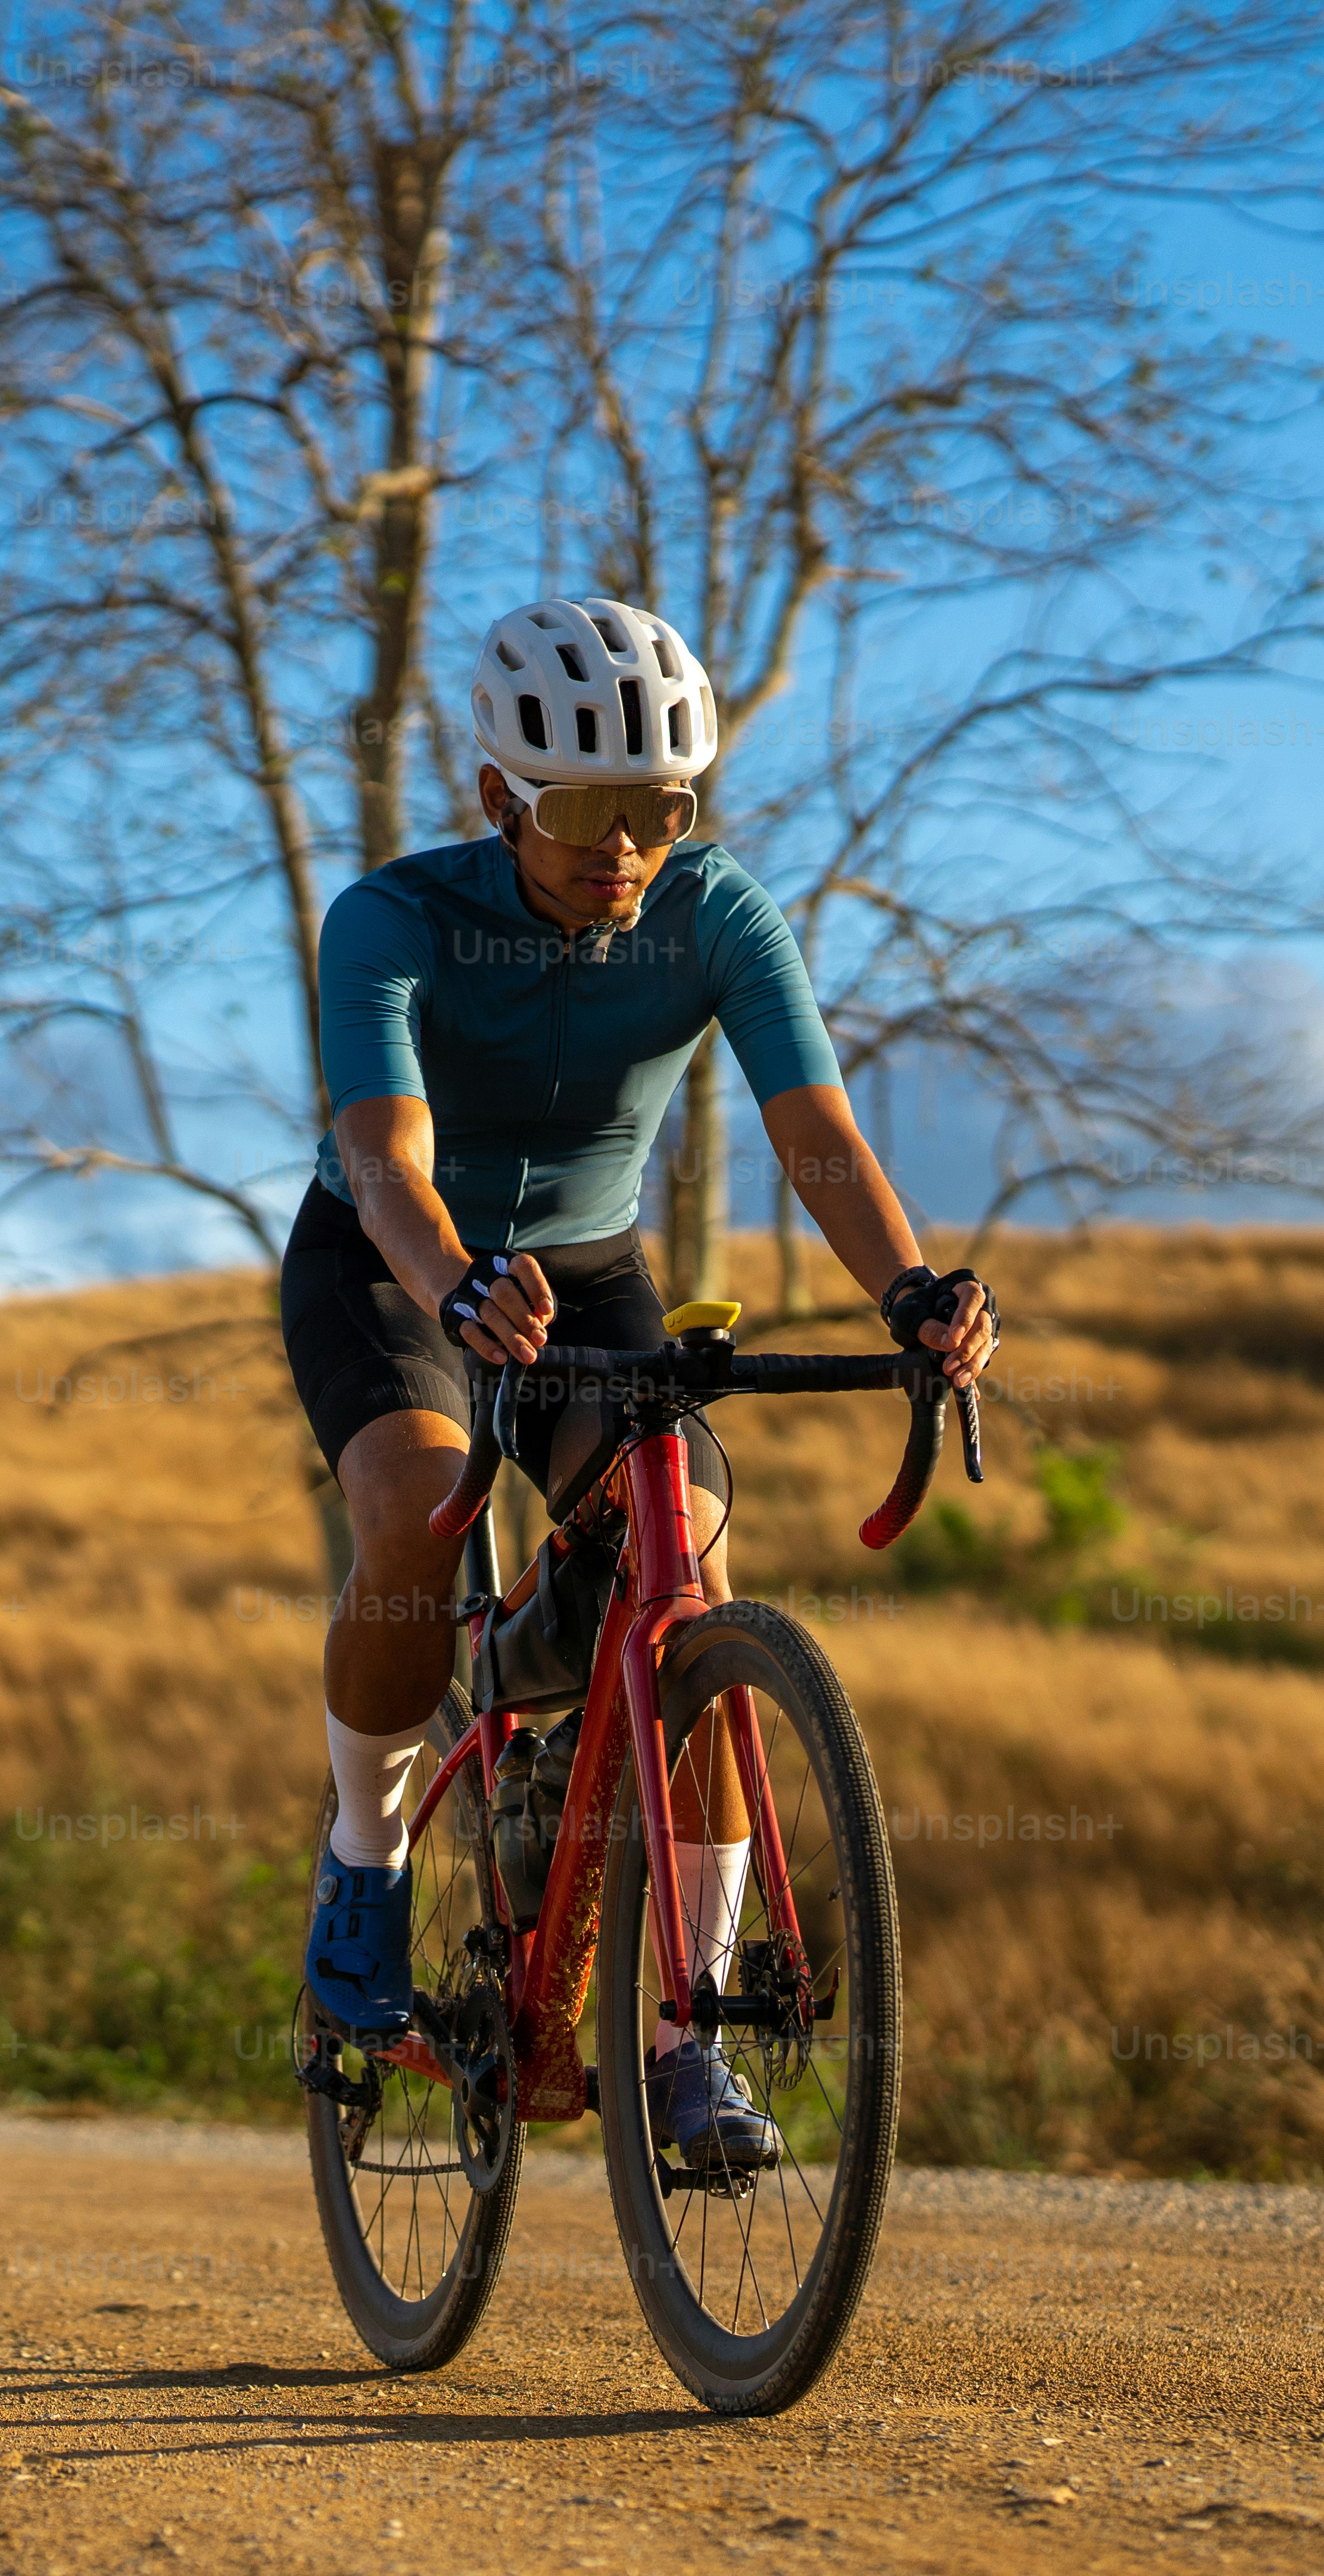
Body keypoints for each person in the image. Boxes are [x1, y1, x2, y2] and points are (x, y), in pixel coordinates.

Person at [277, 596, 999, 2165]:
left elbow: (814, 1130)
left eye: (659, 810)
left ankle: (685, 2038)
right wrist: (452, 1273)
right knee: (409, 1498)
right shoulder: (389, 920)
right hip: (395, 1263)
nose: (624, 848)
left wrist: (910, 1286)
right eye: (586, 812)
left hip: (588, 1269)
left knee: (693, 1561)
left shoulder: (717, 912)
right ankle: (363, 1858)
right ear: (496, 800)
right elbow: (382, 1155)